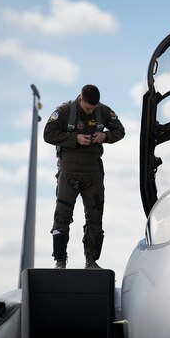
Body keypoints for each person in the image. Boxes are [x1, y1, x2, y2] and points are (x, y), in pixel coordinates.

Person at [44, 84, 125, 269]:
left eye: (93, 108)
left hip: (93, 172)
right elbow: (48, 134)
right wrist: (74, 139)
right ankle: (60, 261)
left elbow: (120, 131)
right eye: (88, 108)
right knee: (62, 216)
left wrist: (104, 137)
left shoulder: (103, 111)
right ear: (80, 98)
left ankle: (92, 261)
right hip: (69, 171)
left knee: (95, 217)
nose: (91, 111)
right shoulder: (64, 111)